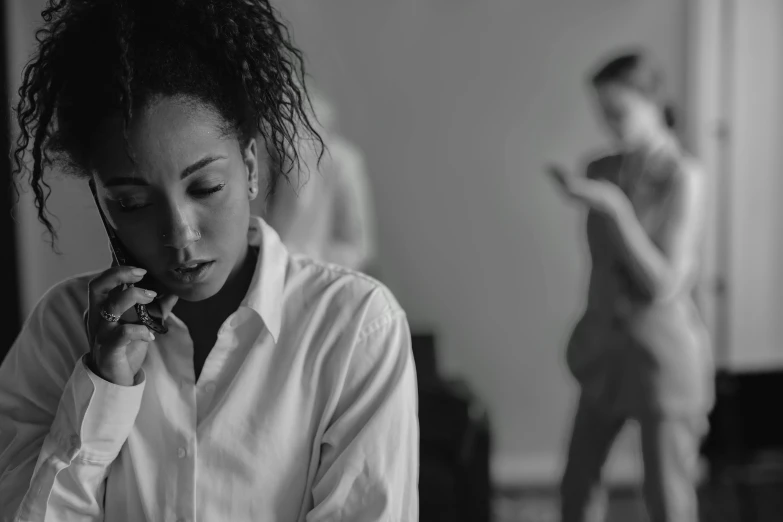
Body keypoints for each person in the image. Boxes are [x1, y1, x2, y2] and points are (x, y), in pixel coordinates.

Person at [0, 1, 418, 521]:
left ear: (249, 167)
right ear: (103, 201)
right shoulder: (59, 332)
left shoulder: (356, 329)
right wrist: (102, 391)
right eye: (132, 202)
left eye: (206, 186)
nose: (180, 234)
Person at [547, 50, 713, 522]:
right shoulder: (599, 168)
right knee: (577, 485)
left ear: (652, 102)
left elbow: (664, 283)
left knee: (668, 497)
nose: (609, 123)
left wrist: (616, 209)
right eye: (602, 112)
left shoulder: (684, 175)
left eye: (618, 111)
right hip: (605, 351)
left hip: (661, 357)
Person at [258, 88, 379, 275]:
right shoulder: (266, 157)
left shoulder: (342, 161)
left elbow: (358, 245)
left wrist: (313, 267)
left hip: (318, 278)